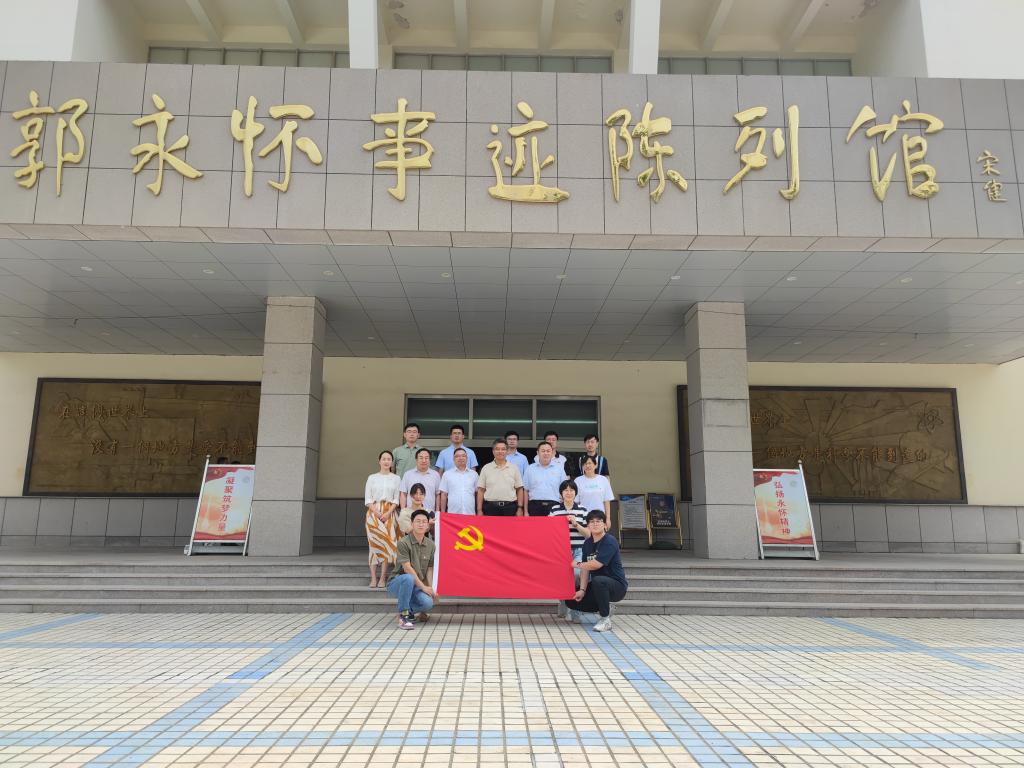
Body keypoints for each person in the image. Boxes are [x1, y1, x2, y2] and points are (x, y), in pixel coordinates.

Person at [562, 510, 628, 632]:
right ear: (588, 525)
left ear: (604, 524)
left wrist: (577, 564)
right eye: (592, 522)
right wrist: (582, 590)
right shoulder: (587, 543)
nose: (595, 524)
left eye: (598, 521)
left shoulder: (609, 541)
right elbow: (585, 569)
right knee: (571, 601)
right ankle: (606, 607)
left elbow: (596, 565)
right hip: (599, 585)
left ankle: (605, 620)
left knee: (599, 580)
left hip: (617, 586)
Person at [387, 509, 437, 630]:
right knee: (408, 578)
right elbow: (407, 568)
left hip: (416, 585)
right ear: (412, 523)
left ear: (427, 525)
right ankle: (404, 617)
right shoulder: (403, 543)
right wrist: (423, 587)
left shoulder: (431, 545)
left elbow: (429, 569)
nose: (421, 524)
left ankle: (404, 610)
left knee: (428, 603)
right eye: (418, 521)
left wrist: (431, 588)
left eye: (424, 522)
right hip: (398, 582)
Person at [548, 479, 588, 622]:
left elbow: (588, 534)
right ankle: (563, 603)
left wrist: (576, 524)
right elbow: (547, 529)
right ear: (561, 493)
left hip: (579, 550)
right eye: (566, 490)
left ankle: (575, 610)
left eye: (571, 490)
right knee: (562, 577)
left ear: (576, 493)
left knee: (576, 575)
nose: (569, 493)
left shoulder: (582, 510)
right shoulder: (555, 510)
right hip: (560, 551)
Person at [364, 450, 401, 588]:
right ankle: (373, 578)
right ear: (379, 461)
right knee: (374, 545)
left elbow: (396, 499)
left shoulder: (396, 478)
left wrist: (388, 513)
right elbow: (368, 499)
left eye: (389, 459)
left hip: (390, 512)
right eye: (384, 459)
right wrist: (377, 513)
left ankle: (383, 578)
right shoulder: (372, 477)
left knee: (386, 544)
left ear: (392, 462)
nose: (386, 461)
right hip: (373, 512)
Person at [476, 437, 525, 516]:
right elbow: (481, 490)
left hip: (510, 508)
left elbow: (519, 489)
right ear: (493, 451)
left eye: (503, 449)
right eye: (497, 449)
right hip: (490, 508)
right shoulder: (486, 468)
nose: (500, 451)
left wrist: (520, 508)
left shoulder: (514, 468)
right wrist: (479, 510)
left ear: (507, 451)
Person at [523, 441, 567, 517]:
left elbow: (564, 489)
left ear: (552, 452)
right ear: (537, 453)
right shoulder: (530, 468)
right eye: (543, 451)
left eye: (548, 451)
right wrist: (525, 511)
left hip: (554, 505)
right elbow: (525, 490)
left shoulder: (559, 469)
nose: (546, 453)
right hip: (534, 506)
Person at [574, 455, 615, 531]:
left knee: (600, 538)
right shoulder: (578, 481)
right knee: (585, 538)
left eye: (590, 463)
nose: (587, 466)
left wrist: (608, 518)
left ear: (595, 465)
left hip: (600, 518)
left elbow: (606, 501)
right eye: (585, 464)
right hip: (584, 517)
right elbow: (576, 502)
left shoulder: (603, 480)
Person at [438, 447, 479, 515]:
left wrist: (478, 510)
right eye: (457, 456)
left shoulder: (474, 474)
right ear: (453, 459)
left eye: (463, 456)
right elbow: (444, 495)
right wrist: (443, 513)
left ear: (467, 458)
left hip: (470, 513)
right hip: (452, 514)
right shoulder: (447, 474)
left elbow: (477, 494)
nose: (461, 458)